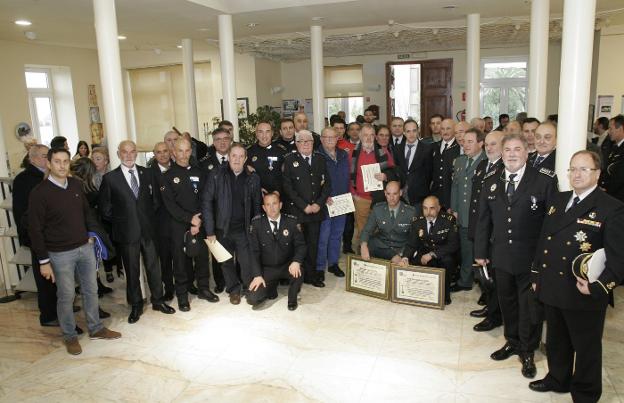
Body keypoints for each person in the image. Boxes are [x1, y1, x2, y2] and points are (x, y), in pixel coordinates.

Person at [529, 150, 624, 402]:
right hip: (553, 285)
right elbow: (544, 239)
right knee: (557, 340)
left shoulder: (611, 208)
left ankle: (585, 392)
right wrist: (537, 273)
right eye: (573, 169)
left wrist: (599, 286)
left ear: (598, 173)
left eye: (584, 169)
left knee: (586, 348)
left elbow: (619, 259)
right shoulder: (558, 200)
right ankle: (558, 379)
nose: (577, 174)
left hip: (584, 291)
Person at [474, 132, 558, 379]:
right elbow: (483, 219)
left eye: (517, 149)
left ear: (527, 152)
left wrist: (545, 258)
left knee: (529, 307)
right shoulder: (491, 180)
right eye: (507, 149)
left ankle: (527, 350)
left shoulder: (543, 180)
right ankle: (511, 341)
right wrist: (480, 252)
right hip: (500, 256)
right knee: (507, 303)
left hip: (531, 259)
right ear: (501, 153)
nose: (511, 154)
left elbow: (551, 224)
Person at [28, 148, 121, 355]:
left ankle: (95, 328)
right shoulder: (40, 193)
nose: (62, 165)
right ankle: (69, 335)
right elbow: (35, 229)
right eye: (57, 161)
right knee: (67, 295)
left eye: (65, 161)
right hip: (60, 254)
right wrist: (43, 261)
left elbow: (86, 214)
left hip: (84, 249)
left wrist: (91, 236)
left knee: (91, 290)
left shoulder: (76, 185)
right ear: (49, 164)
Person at [98, 140, 175, 323]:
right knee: (132, 271)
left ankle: (158, 300)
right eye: (124, 152)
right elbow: (105, 210)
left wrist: (147, 220)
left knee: (153, 268)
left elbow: (156, 201)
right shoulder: (110, 178)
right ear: (118, 154)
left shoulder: (147, 173)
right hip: (127, 234)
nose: (129, 155)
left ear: (136, 153)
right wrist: (125, 221)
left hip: (148, 231)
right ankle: (136, 305)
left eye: (132, 151)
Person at [161, 137, 220, 311]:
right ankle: (182, 296)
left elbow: (204, 198)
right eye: (180, 150)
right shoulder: (167, 176)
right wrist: (189, 219)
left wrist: (198, 221)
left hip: (199, 222)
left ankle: (203, 289)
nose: (184, 154)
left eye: (187, 150)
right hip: (179, 226)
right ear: (173, 152)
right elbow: (170, 205)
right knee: (180, 263)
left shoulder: (199, 171)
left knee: (202, 258)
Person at [203, 143, 263, 304]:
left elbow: (257, 206)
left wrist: (256, 228)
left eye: (241, 156)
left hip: (244, 230)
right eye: (234, 155)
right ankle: (234, 290)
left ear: (245, 158)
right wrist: (209, 231)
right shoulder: (216, 174)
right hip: (222, 230)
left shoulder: (253, 178)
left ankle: (247, 287)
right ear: (228, 157)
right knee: (226, 263)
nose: (237, 159)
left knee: (245, 262)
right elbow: (207, 203)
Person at [12, 144, 57, 326]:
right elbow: (21, 212)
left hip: (55, 236)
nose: (48, 159)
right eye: (46, 156)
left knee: (57, 276)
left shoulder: (50, 176)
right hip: (38, 237)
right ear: (33, 159)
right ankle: (48, 315)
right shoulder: (24, 179)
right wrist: (30, 238)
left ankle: (58, 308)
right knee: (44, 278)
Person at [282, 130, 331, 287]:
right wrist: (304, 206)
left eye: (308, 141)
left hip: (316, 211)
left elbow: (327, 184)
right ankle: (295, 275)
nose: (305, 144)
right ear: (296, 144)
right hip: (297, 211)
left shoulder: (320, 159)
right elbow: (288, 188)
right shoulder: (289, 160)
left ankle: (311, 275)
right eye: (301, 141)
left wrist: (318, 204)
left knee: (313, 244)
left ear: (313, 143)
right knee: (296, 244)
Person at [467, 130, 504, 331]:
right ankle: (490, 307)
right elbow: (476, 202)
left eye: (494, 144)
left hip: (493, 234)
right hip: (479, 227)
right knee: (483, 273)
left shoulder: (503, 169)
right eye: (487, 144)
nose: (489, 148)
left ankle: (495, 315)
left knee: (494, 277)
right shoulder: (483, 165)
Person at [247, 192, 306, 311]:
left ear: (280, 205)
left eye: (274, 203)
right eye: (268, 205)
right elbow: (254, 252)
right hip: (267, 268)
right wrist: (257, 275)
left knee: (299, 272)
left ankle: (292, 298)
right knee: (252, 299)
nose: (272, 207)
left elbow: (301, 245)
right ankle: (271, 287)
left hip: (287, 265)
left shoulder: (291, 222)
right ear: (263, 208)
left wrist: (296, 261)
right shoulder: (257, 224)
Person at [401, 195, 459, 305]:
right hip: (424, 252)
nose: (428, 212)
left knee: (448, 261)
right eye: (425, 208)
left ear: (438, 208)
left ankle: (444, 295)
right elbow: (411, 244)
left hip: (442, 253)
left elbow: (453, 245)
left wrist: (432, 254)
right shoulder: (417, 221)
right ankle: (419, 292)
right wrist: (405, 257)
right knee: (411, 263)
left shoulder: (449, 220)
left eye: (432, 208)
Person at [450, 128, 486, 292]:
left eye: (470, 141)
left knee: (480, 250)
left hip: (480, 215)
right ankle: (465, 280)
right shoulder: (459, 161)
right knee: (465, 249)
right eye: (464, 141)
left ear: (480, 143)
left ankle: (482, 283)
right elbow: (455, 187)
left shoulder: (487, 162)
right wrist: (454, 208)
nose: (465, 145)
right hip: (463, 214)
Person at [348, 124, 397, 240]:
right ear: (360, 136)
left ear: (375, 137)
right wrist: (354, 195)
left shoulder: (383, 153)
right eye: (365, 135)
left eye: (371, 135)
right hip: (361, 200)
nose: (368, 138)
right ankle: (362, 256)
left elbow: (394, 173)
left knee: (380, 232)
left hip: (380, 199)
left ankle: (377, 256)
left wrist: (385, 176)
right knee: (362, 232)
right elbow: (347, 176)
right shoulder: (352, 153)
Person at [317, 127, 350, 278]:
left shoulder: (343, 154)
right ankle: (319, 267)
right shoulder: (316, 155)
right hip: (326, 202)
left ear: (338, 138)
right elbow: (313, 181)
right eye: (326, 137)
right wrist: (322, 197)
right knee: (323, 236)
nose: (330, 140)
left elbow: (346, 177)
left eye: (333, 137)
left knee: (337, 234)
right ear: (321, 139)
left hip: (341, 201)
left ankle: (333, 264)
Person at [360, 181, 416, 263]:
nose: (391, 198)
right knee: (368, 242)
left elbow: (413, 238)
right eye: (389, 194)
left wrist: (405, 256)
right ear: (385, 193)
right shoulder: (378, 209)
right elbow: (367, 230)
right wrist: (363, 246)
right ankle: (392, 256)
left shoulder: (410, 212)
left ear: (400, 193)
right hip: (383, 247)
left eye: (395, 194)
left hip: (401, 248)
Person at [150, 142, 175, 300]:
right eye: (158, 152)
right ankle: (169, 288)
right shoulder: (148, 173)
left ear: (170, 151)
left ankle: (187, 284)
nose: (163, 155)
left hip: (180, 221)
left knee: (183, 257)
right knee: (165, 258)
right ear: (154, 154)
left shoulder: (180, 167)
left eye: (165, 151)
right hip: (161, 223)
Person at [394, 119, 433, 209]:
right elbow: (397, 169)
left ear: (418, 130)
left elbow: (429, 173)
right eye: (408, 131)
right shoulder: (398, 149)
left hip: (420, 196)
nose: (411, 134)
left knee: (417, 222)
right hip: (401, 195)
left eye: (414, 131)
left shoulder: (427, 149)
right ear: (404, 132)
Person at [246, 121, 287, 195]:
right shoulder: (249, 152)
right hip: (257, 195)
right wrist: (257, 189)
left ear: (272, 133)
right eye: (260, 132)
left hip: (278, 195)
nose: (264, 135)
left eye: (267, 132)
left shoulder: (281, 151)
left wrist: (278, 190)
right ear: (256, 134)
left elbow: (286, 176)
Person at [430, 118, 460, 208]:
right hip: (435, 195)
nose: (445, 131)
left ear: (454, 129)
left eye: (448, 128)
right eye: (442, 129)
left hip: (452, 196)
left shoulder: (459, 148)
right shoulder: (434, 147)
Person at [600, 114, 624, 203]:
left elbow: (620, 176)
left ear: (620, 129)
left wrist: (607, 191)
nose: (608, 132)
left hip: (618, 198)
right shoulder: (615, 147)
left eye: (610, 128)